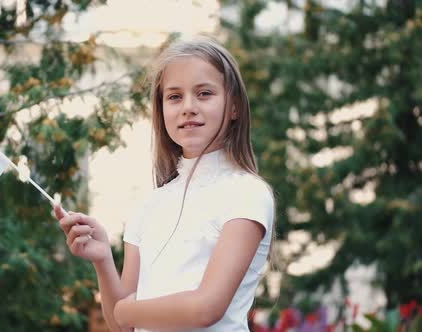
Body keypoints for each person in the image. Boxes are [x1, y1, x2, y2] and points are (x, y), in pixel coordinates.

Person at [54, 36, 275, 332]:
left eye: (204, 93)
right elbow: (124, 326)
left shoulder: (246, 193)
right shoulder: (148, 206)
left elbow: (205, 307)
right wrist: (104, 260)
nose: (188, 107)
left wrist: (126, 310)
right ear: (161, 110)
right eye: (174, 97)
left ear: (234, 107)